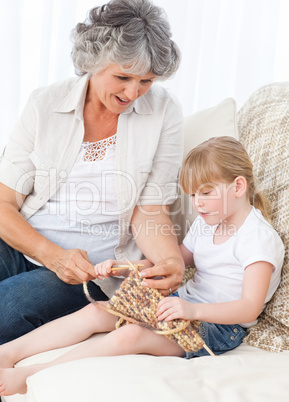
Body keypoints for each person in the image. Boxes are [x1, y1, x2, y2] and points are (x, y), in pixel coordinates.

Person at [0, 136, 285, 396]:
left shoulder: (257, 240)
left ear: (238, 186)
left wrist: (191, 310)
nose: (198, 203)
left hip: (219, 327)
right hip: (179, 305)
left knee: (132, 334)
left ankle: (30, 375)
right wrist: (125, 268)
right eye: (193, 195)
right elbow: (172, 262)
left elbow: (249, 307)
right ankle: (8, 353)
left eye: (206, 193)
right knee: (98, 311)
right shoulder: (207, 223)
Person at [0, 0, 185, 345]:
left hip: (90, 274)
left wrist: (169, 260)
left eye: (146, 80)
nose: (133, 93)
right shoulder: (44, 104)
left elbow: (149, 208)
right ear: (93, 62)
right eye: (122, 77)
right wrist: (52, 255)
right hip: (25, 244)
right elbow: (4, 202)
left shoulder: (164, 112)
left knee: (7, 308)